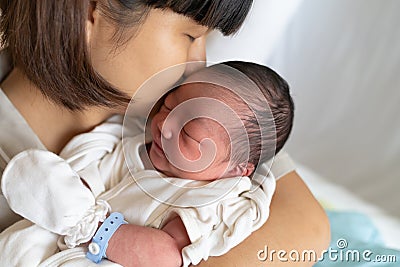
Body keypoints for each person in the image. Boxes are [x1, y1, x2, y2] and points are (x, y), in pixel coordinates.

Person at [0, 1, 330, 266]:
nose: (199, 63)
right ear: (93, 9)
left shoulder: (181, 107)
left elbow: (306, 224)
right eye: (190, 36)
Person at [3, 61, 293, 266]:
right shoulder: (130, 149)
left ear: (236, 169)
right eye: (168, 105)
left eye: (188, 133)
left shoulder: (214, 200)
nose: (164, 124)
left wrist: (98, 228)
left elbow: (167, 255)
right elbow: (83, 182)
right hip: (64, 241)